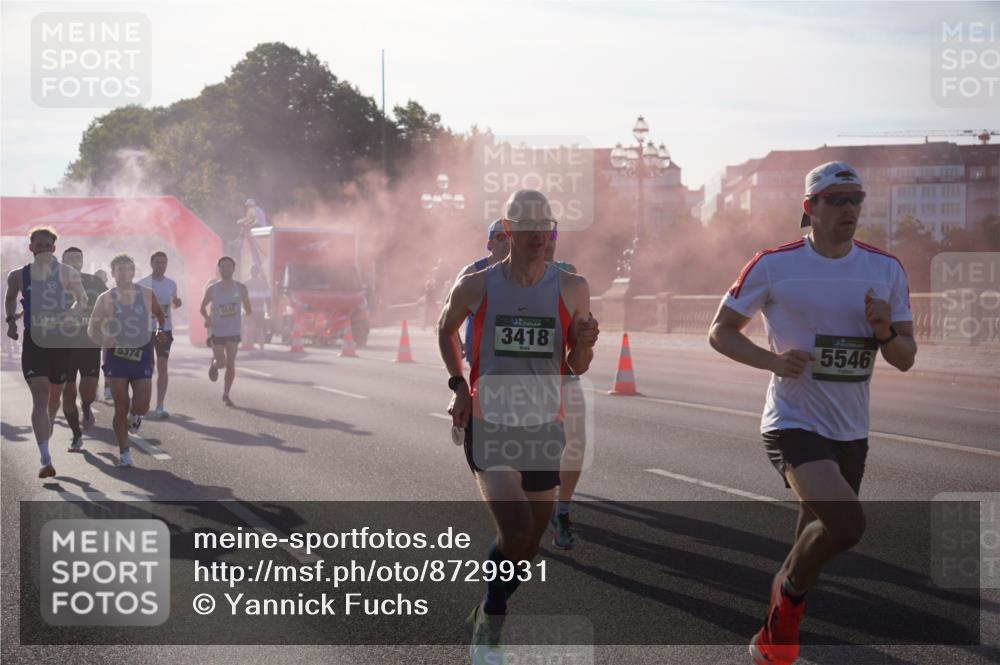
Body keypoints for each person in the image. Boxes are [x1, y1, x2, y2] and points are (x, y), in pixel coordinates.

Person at [707, 161, 916, 665]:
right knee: (846, 526)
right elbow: (720, 331)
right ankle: (786, 608)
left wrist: (885, 331)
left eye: (855, 199)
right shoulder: (773, 264)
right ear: (810, 207)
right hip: (792, 420)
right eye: (836, 200)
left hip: (850, 428)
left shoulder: (885, 269)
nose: (849, 209)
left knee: (809, 541)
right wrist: (772, 362)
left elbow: (905, 357)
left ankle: (773, 634)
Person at [438, 190, 599, 663]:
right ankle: (491, 626)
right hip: (490, 421)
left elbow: (577, 365)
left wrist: (585, 343)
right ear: (508, 230)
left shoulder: (572, 287)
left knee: (527, 546)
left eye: (545, 225)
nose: (538, 235)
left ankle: (486, 608)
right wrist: (458, 385)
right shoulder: (476, 285)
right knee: (517, 527)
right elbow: (445, 328)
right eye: (528, 226)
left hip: (543, 424)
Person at [5, 227, 88, 478]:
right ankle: (45, 459)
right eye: (38, 245)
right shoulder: (18, 275)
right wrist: (11, 321)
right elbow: (10, 298)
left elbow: (82, 299)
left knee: (54, 397)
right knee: (40, 396)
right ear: (31, 247)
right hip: (34, 342)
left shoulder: (67, 273)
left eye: (47, 245)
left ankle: (50, 419)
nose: (43, 249)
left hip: (61, 342)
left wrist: (71, 315)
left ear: (54, 248)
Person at [89, 254, 166, 467]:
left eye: (127, 269)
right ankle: (124, 452)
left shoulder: (146, 294)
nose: (124, 273)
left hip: (141, 355)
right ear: (113, 274)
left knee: (142, 406)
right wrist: (102, 340)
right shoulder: (105, 298)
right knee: (120, 407)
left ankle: (136, 414)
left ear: (133, 272)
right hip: (116, 357)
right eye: (119, 270)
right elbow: (92, 328)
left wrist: (160, 330)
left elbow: (160, 314)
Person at [543, 228, 583, 550]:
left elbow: (580, 328)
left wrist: (585, 338)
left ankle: (562, 511)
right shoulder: (502, 277)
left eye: (552, 234)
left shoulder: (568, 275)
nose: (547, 241)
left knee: (575, 441)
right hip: (519, 378)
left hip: (564, 374)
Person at [60, 247, 107, 451]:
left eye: (78, 258)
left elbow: (110, 303)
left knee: (88, 392)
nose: (74, 261)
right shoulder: (54, 283)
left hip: (89, 343)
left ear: (82, 261)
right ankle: (76, 436)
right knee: (68, 392)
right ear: (62, 261)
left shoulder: (94, 282)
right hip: (62, 346)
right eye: (70, 258)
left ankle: (86, 408)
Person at [453, 219, 511, 361]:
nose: (506, 242)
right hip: (480, 355)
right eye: (500, 237)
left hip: (512, 354)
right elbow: (448, 314)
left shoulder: (525, 272)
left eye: (510, 237)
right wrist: (457, 344)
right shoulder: (472, 271)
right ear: (489, 244)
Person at [200, 256, 251, 406]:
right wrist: (207, 319)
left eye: (229, 266)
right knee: (222, 363)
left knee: (231, 363)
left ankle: (226, 394)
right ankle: (215, 365)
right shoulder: (212, 289)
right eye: (222, 266)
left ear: (233, 269)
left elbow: (248, 309)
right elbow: (202, 307)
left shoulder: (241, 288)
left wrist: (244, 312)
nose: (226, 269)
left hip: (233, 330)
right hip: (216, 330)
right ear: (219, 269)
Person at [138, 251, 182, 418]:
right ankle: (143, 402)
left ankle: (160, 406)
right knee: (148, 368)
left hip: (164, 329)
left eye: (163, 262)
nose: (160, 265)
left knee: (163, 366)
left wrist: (177, 303)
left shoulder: (171, 284)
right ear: (151, 264)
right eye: (157, 262)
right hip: (146, 330)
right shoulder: (142, 284)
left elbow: (174, 303)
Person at [244, 265, 270, 350]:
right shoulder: (263, 283)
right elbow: (268, 297)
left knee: (251, 329)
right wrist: (268, 309)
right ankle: (261, 348)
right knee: (260, 330)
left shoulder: (247, 283)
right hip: (260, 310)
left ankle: (252, 346)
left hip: (251, 310)